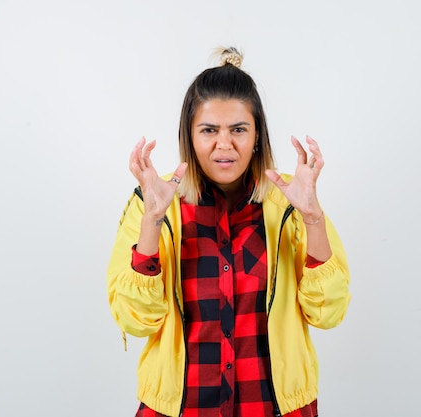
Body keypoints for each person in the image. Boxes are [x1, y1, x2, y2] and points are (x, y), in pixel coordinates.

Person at [107, 47, 351, 417]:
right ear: (189, 136)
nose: (225, 145)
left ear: (257, 137)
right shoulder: (154, 204)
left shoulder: (291, 202)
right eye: (209, 130)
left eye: (239, 129)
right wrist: (152, 222)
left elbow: (328, 314)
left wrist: (312, 217)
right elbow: (135, 320)